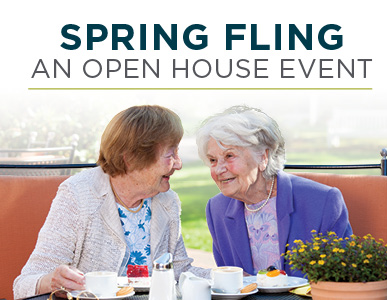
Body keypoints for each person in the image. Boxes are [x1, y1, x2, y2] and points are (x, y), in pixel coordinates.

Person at [14, 105, 209, 300]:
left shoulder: (167, 201)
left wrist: (231, 279)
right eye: (170, 155)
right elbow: (24, 285)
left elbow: (181, 272)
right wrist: (53, 281)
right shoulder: (78, 195)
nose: (179, 164)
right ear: (132, 159)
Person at [196, 105, 353, 278]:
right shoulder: (217, 209)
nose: (218, 170)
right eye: (212, 160)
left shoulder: (323, 202)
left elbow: (342, 279)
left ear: (263, 157)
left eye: (229, 156)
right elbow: (229, 281)